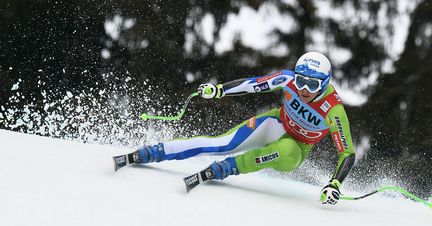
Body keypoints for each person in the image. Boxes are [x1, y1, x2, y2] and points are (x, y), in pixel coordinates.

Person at [128, 51, 356, 205]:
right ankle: (155, 151)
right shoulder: (287, 80)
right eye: (301, 81)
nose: (304, 89)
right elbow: (254, 84)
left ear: (324, 83)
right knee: (221, 143)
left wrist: (334, 184)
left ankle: (227, 168)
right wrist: (219, 90)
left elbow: (347, 152)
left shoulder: (333, 110)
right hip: (275, 123)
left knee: (284, 151)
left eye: (313, 84)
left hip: (297, 148)